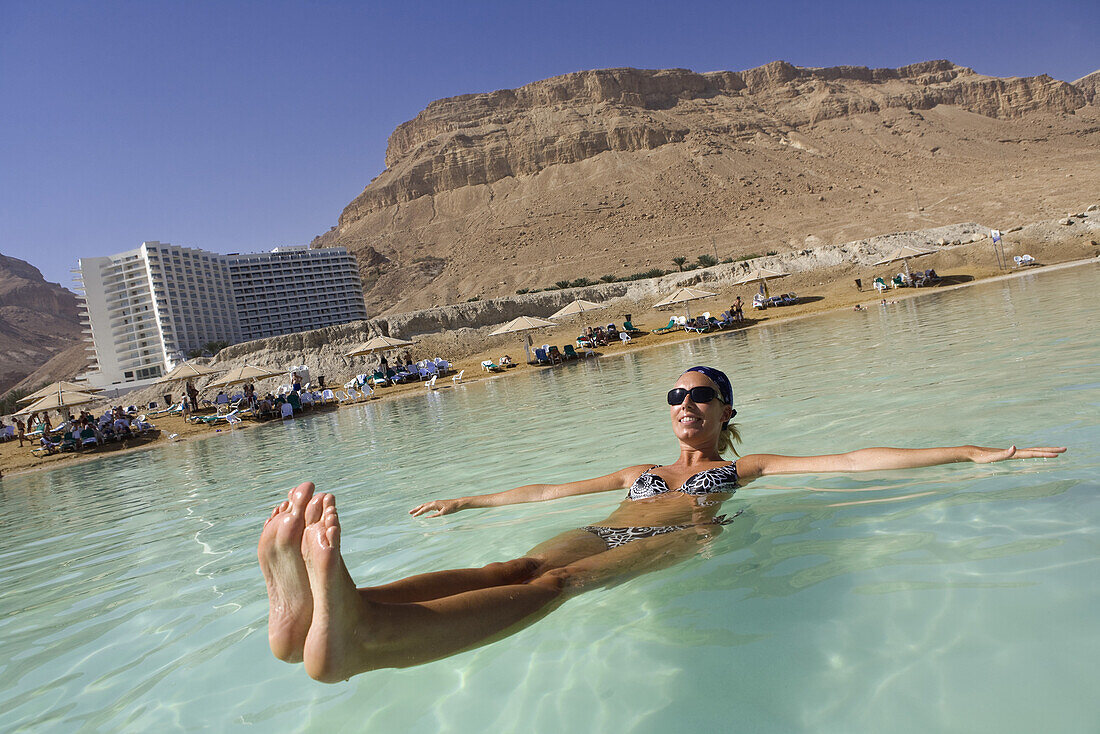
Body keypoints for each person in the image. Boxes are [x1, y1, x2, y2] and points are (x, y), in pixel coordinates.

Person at [258, 366, 1065, 682]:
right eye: (674, 397)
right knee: (512, 569)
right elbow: (548, 491)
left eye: (700, 395)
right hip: (613, 525)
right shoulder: (633, 474)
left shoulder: (740, 469)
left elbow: (853, 462)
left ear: (724, 411)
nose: (685, 406)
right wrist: (469, 500)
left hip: (676, 536)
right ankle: (337, 616)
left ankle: (356, 639)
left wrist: (971, 451)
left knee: (558, 584)